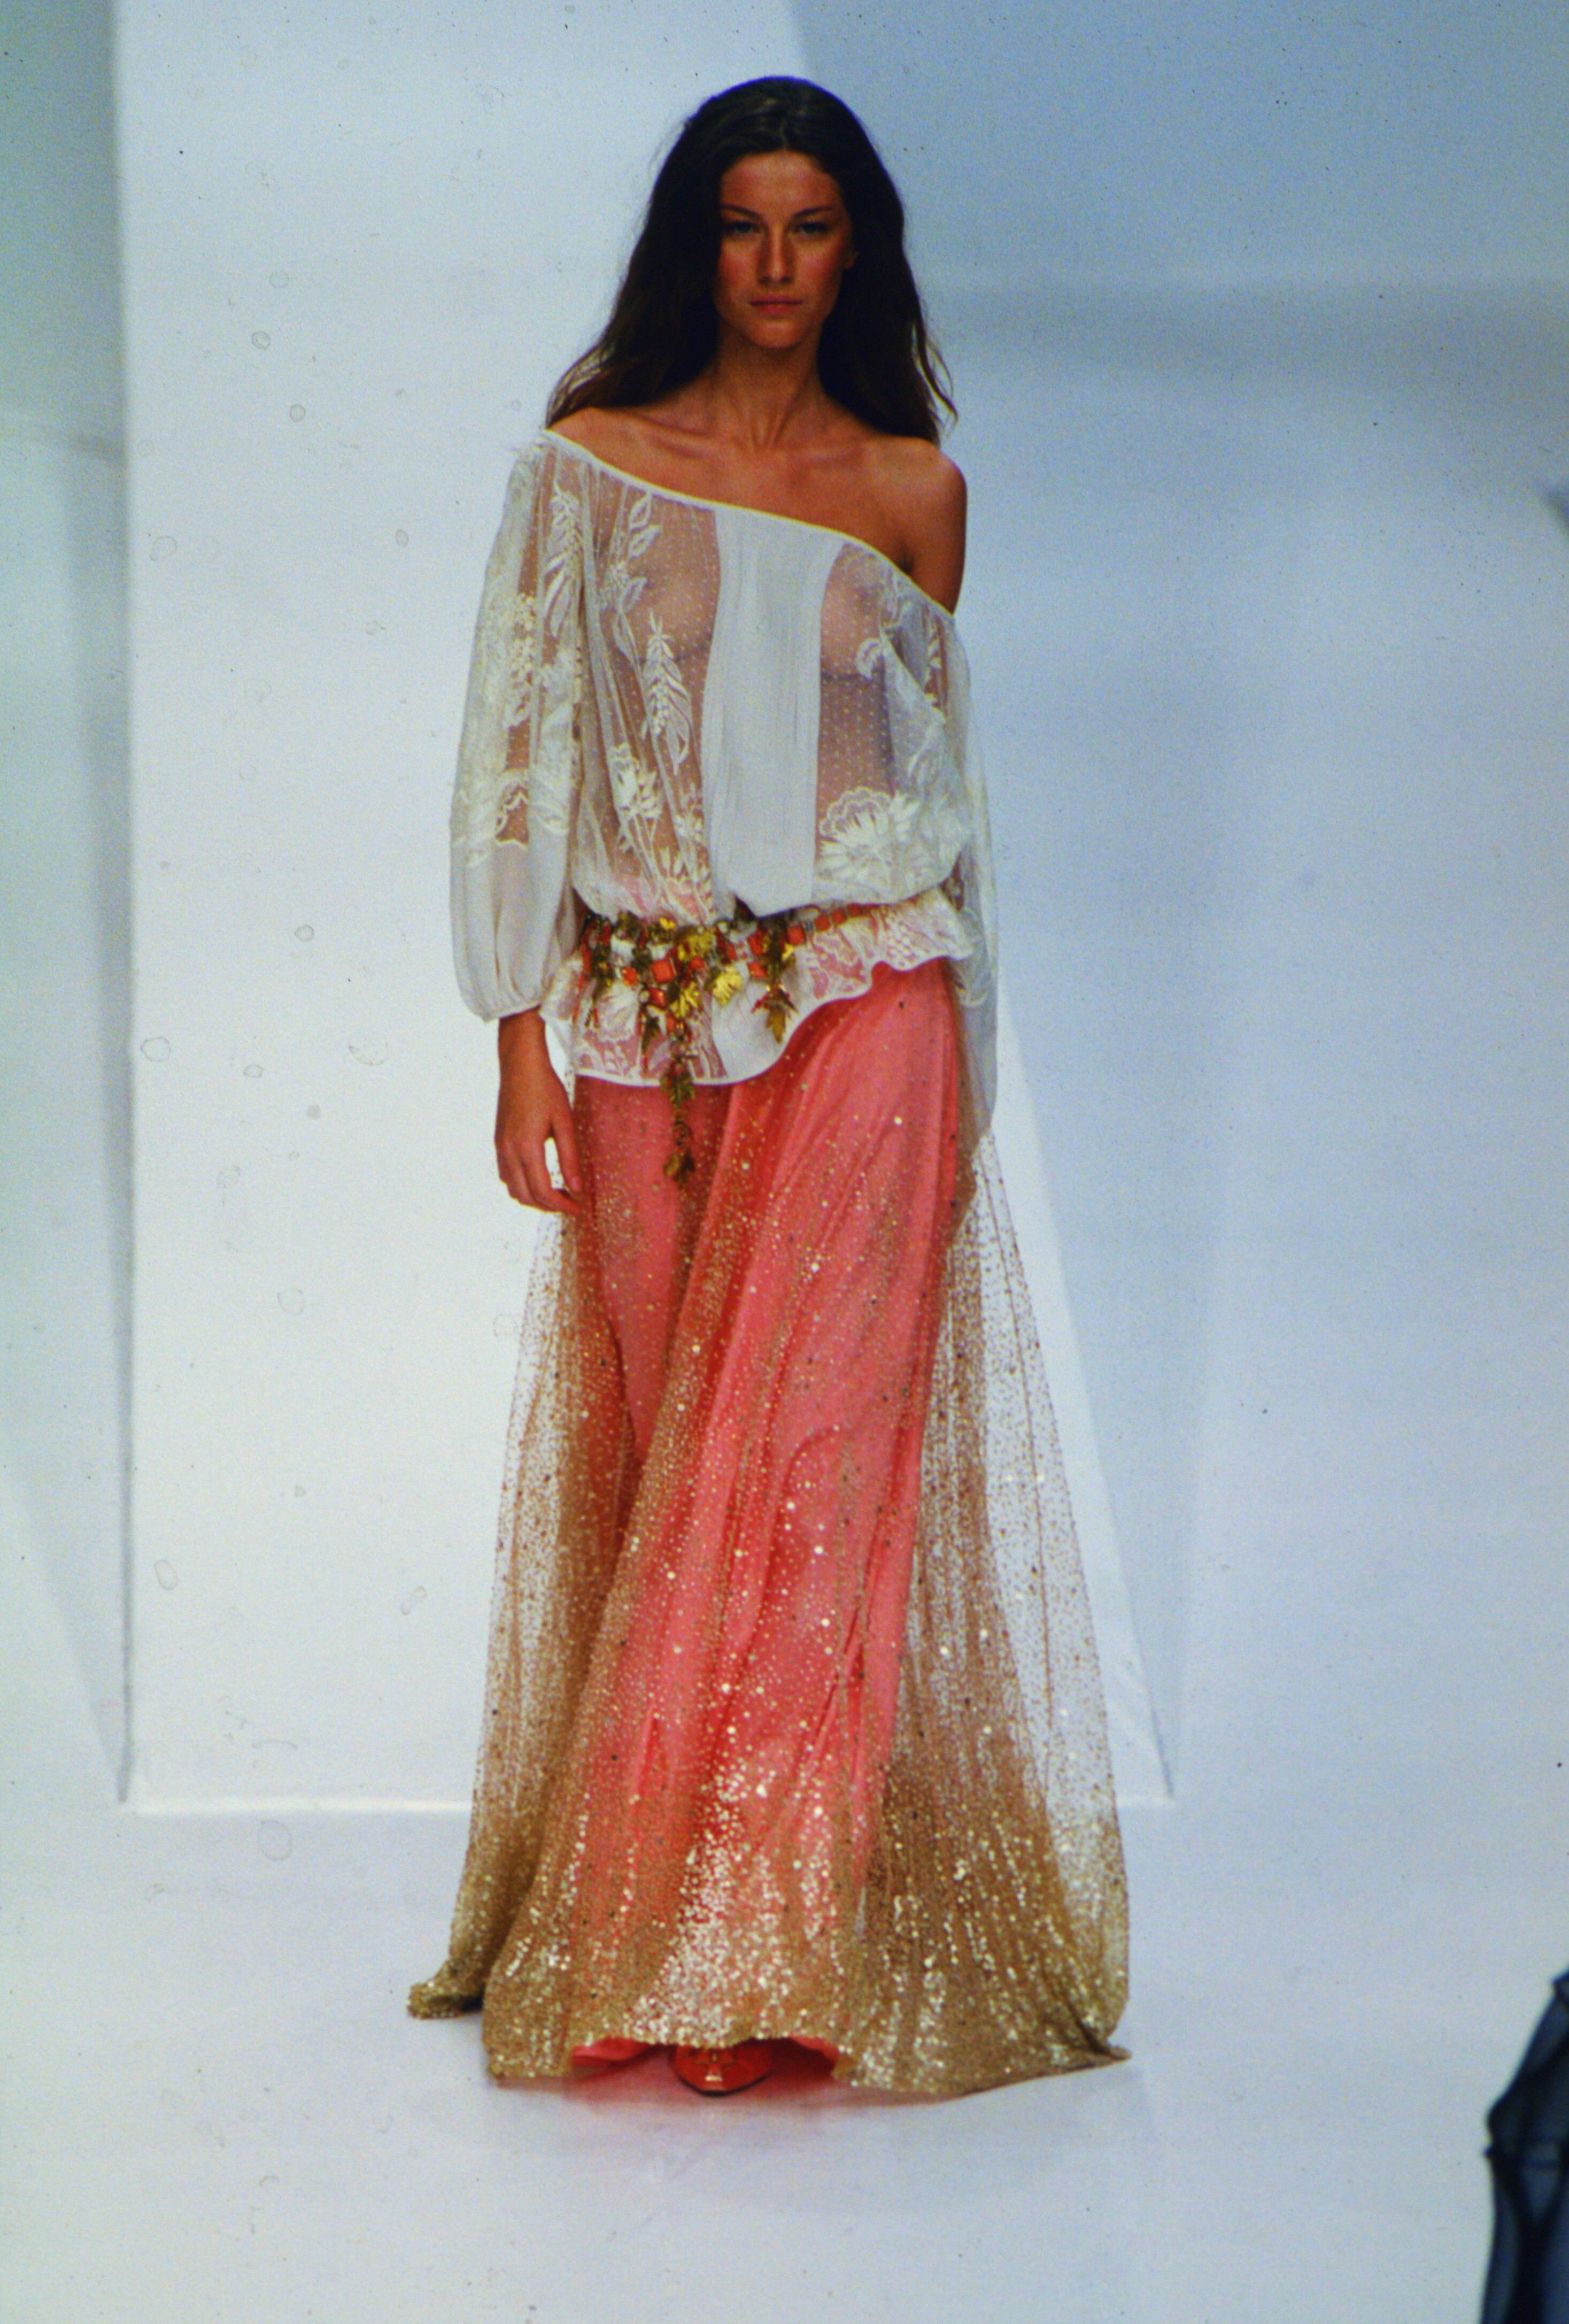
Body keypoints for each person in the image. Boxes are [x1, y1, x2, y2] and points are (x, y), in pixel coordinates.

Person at [408, 76, 1128, 2099]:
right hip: (644, 1017)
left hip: (870, 999)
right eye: (744, 226)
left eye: (815, 228)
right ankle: (652, 1927)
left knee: (808, 1478)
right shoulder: (588, 468)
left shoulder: (913, 491)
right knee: (670, 1459)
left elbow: (932, 786)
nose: (779, 266)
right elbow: (518, 748)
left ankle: (757, 1955)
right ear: (694, 245)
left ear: (859, 249)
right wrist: (516, 1033)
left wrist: (965, 1050)